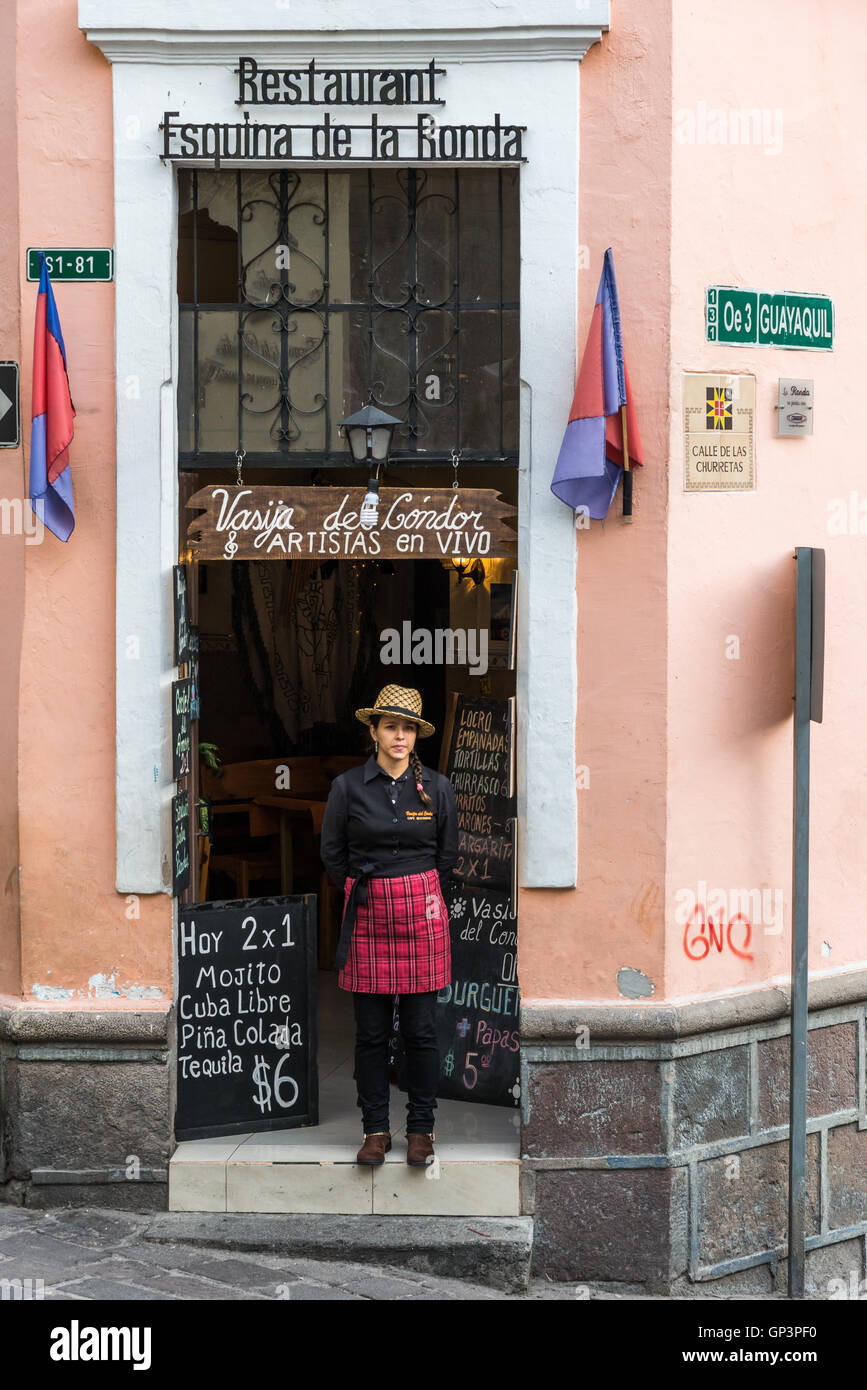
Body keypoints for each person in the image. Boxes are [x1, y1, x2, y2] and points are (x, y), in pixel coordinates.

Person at [320, 684, 458, 1168]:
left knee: (421, 1031)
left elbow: (448, 856)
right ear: (374, 731)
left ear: (417, 735)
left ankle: (421, 1128)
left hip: (423, 917)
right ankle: (375, 1129)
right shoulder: (347, 787)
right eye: (391, 726)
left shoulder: (438, 788)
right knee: (372, 1033)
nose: (400, 736)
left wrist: (417, 893)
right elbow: (332, 855)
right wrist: (370, 891)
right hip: (369, 915)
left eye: (409, 728)